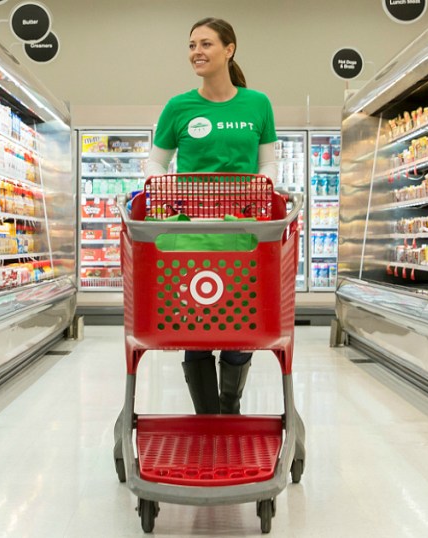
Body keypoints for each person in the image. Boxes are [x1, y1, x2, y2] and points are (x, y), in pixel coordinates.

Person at [144, 17, 279, 415]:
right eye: (191, 46)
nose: (196, 52)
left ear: (229, 49)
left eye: (205, 44)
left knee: (241, 329)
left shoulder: (258, 104)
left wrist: (261, 185)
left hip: (243, 231)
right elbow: (155, 161)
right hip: (191, 233)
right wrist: (165, 186)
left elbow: (269, 162)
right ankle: (207, 419)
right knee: (195, 327)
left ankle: (228, 407)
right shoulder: (178, 106)